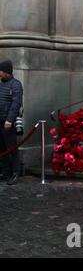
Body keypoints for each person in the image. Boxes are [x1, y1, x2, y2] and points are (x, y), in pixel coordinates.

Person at [0, 58, 23, 186]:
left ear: (6, 72)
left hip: (8, 123)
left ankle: (15, 173)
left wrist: (9, 120)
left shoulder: (16, 84)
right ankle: (6, 172)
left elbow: (16, 104)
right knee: (1, 148)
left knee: (12, 149)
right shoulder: (1, 83)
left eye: (1, 70)